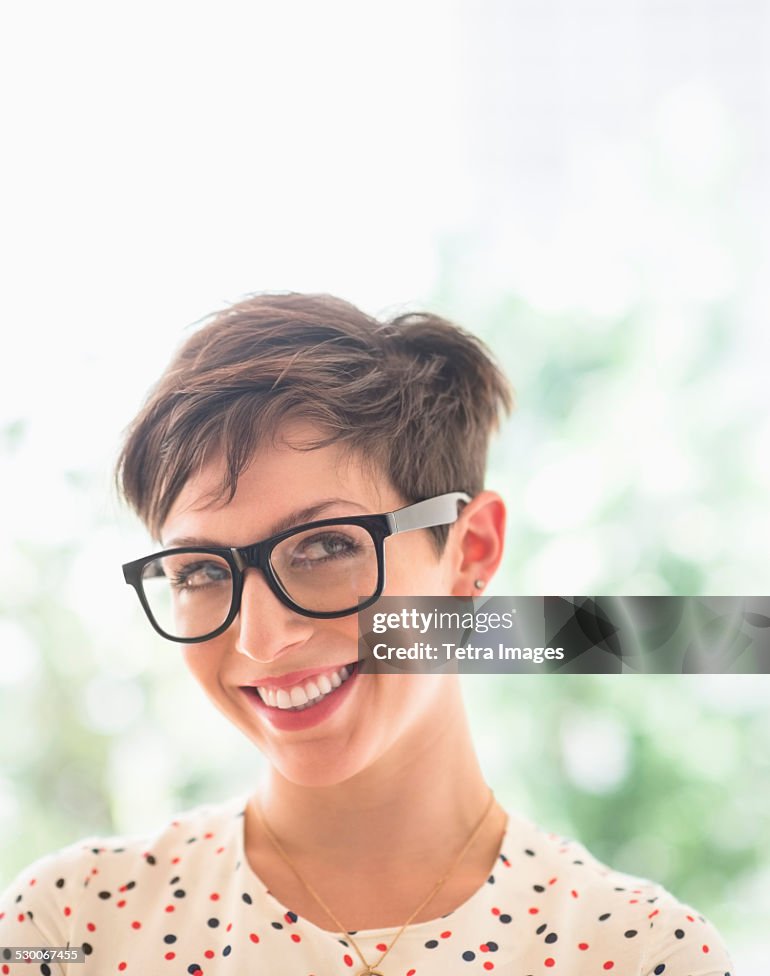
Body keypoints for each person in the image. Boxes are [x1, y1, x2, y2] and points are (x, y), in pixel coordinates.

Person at [0, 293, 733, 976]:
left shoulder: (643, 952)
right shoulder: (69, 926)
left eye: (324, 547)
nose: (262, 638)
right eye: (199, 571)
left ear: (470, 550)